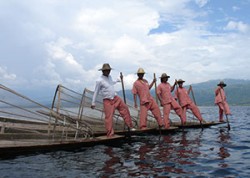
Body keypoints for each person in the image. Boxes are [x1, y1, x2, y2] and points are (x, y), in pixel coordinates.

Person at [91, 63, 135, 137]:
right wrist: (93, 103)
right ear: (103, 71)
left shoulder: (110, 77)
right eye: (106, 70)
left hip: (115, 97)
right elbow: (96, 91)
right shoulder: (99, 80)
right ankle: (110, 133)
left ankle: (130, 126)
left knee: (125, 108)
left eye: (109, 70)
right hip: (107, 100)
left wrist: (119, 80)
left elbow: (112, 82)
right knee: (109, 117)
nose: (108, 71)